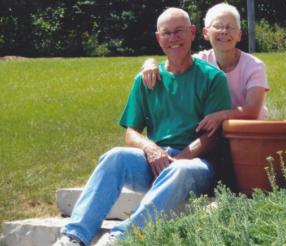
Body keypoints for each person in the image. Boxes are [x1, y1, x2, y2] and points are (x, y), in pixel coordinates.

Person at [53, 7, 231, 246]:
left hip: (196, 166)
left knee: (179, 171)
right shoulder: (146, 80)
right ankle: (74, 237)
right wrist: (151, 149)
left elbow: (213, 135)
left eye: (179, 31)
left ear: (192, 32)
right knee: (114, 156)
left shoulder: (212, 78)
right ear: (158, 38)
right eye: (166, 33)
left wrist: (180, 159)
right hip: (157, 161)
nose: (173, 38)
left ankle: (122, 237)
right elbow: (131, 132)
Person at [142, 3, 270, 137]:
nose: (224, 31)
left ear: (239, 35)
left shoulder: (254, 66)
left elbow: (253, 110)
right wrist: (150, 63)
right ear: (205, 33)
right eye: (218, 26)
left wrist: (221, 116)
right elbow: (175, 63)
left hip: (247, 134)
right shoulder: (201, 60)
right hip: (212, 133)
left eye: (230, 27)